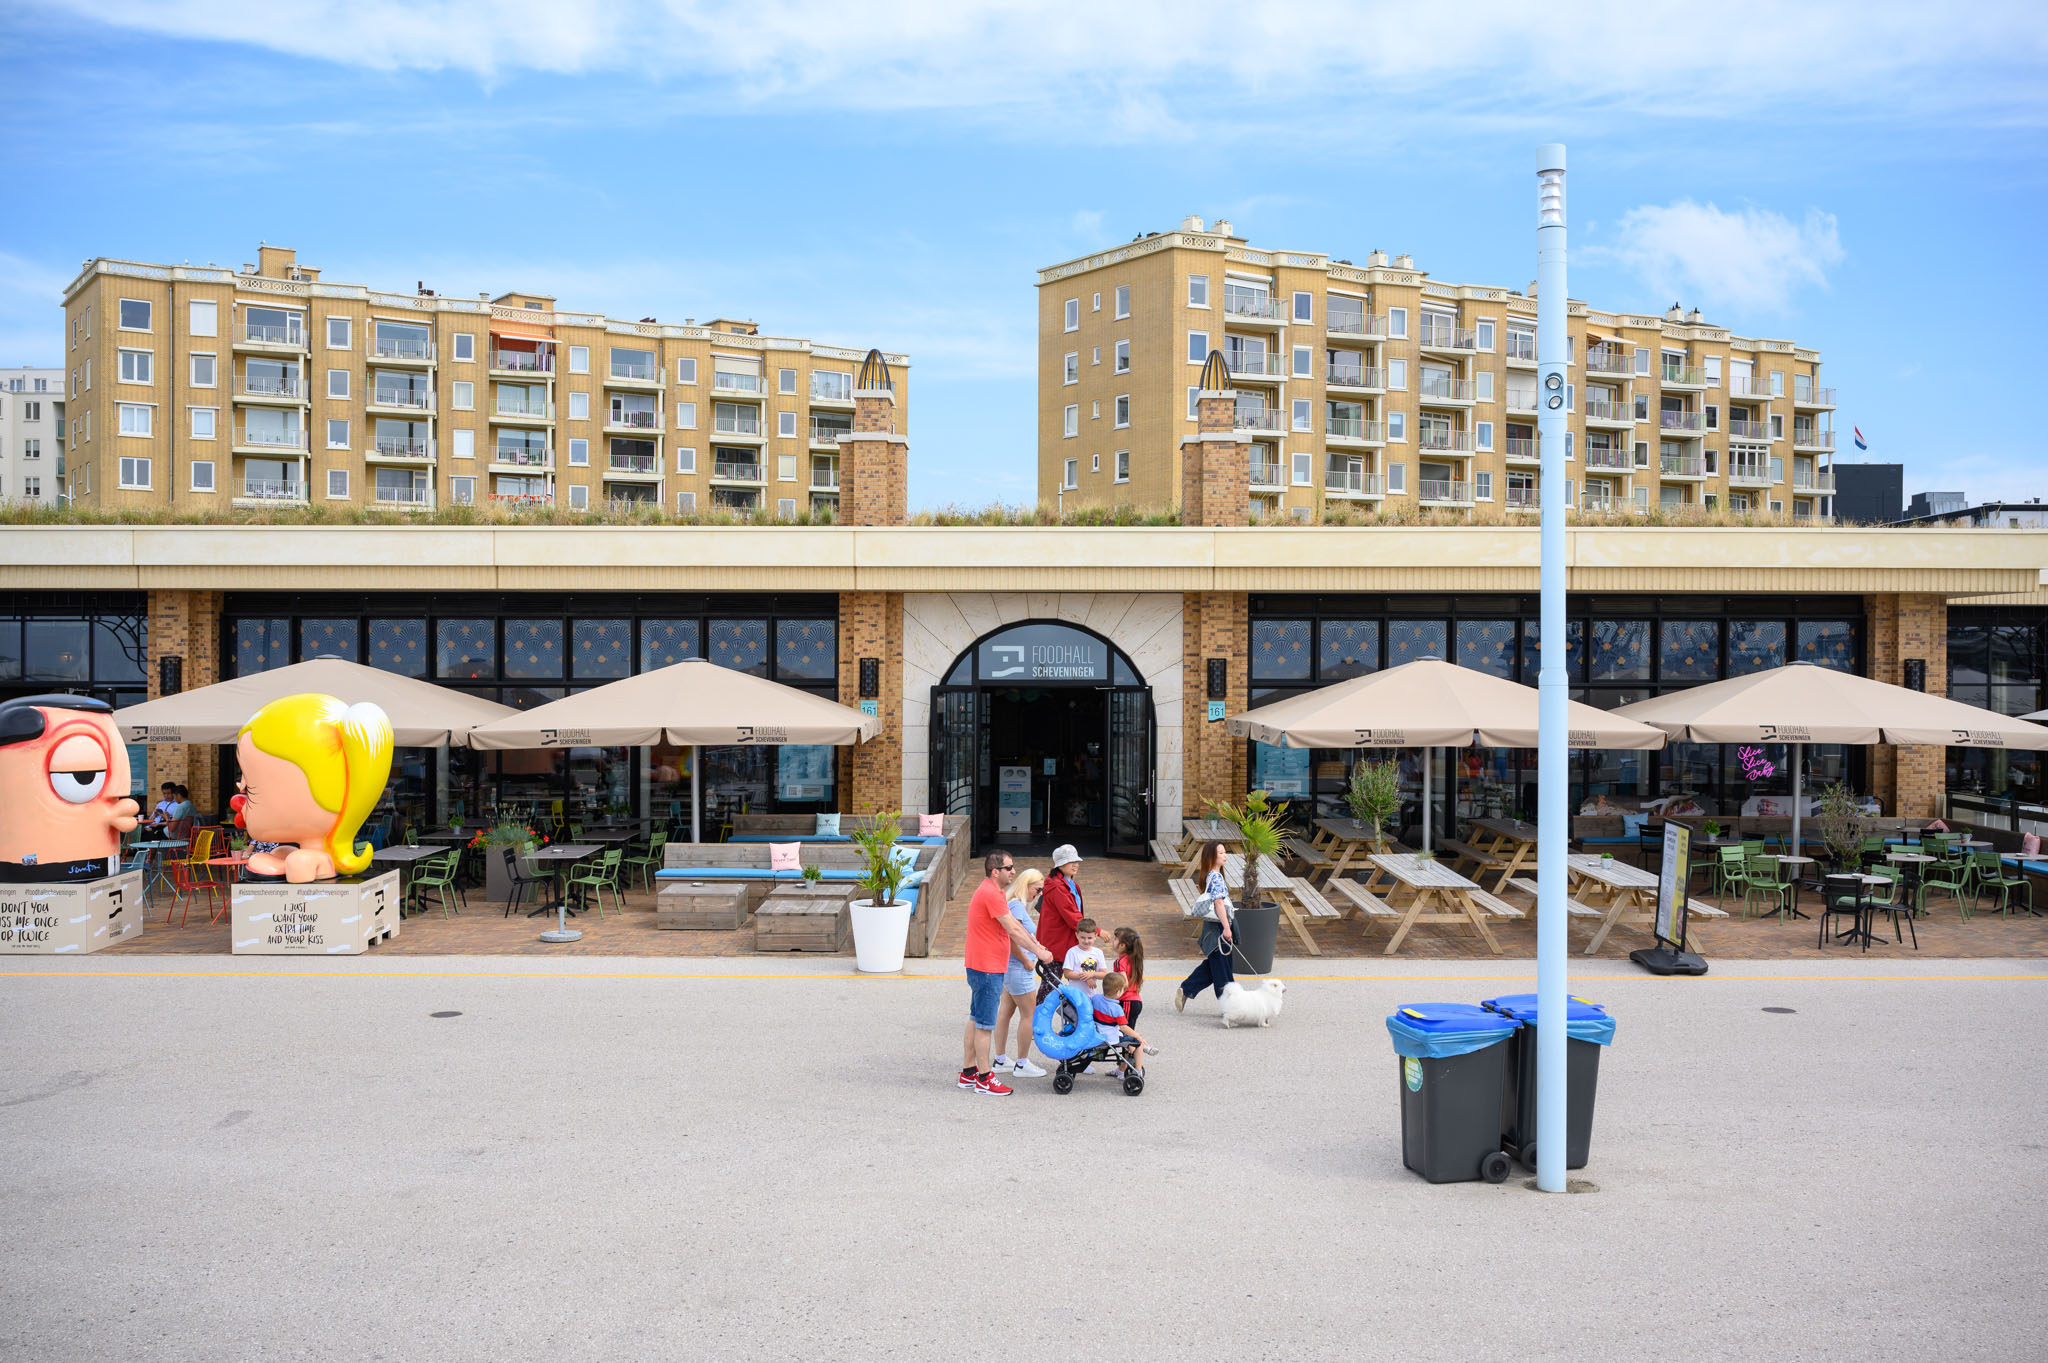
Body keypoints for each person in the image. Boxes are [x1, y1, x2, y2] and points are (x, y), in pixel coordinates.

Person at [962, 850, 1054, 1095]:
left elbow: (1016, 929)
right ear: (995, 871)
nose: (1014, 871)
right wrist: (1038, 952)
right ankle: (984, 1078)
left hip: (984, 965)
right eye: (1009, 867)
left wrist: (1037, 947)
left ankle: (968, 1071)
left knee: (976, 1018)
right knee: (983, 1025)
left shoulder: (994, 893)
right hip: (987, 967)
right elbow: (1013, 929)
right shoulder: (991, 893)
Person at [993, 867, 1049, 1078]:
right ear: (1027, 885)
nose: (1039, 893)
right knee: (1029, 1014)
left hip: (1011, 967)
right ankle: (1022, 1063)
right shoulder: (1016, 906)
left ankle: (1000, 1059)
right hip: (1018, 967)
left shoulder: (1017, 905)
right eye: (1038, 888)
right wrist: (1027, 960)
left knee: (1005, 1012)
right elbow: (1012, 938)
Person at [1175, 840, 1235, 1012]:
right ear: (1212, 856)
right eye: (1221, 852)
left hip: (1212, 929)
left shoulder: (1211, 875)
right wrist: (1226, 927)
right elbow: (1218, 903)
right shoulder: (1216, 877)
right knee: (1223, 970)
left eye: (1225, 852)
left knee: (1215, 965)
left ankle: (1186, 989)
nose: (1225, 855)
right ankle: (1229, 1008)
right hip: (1218, 929)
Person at [1037, 844, 1086, 999]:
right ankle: (1038, 1020)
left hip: (1067, 943)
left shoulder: (1072, 885)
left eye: (1076, 861)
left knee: (1076, 985)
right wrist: (1095, 931)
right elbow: (1072, 916)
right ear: (1060, 865)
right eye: (1070, 861)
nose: (1075, 864)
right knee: (1050, 988)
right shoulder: (1058, 887)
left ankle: (1072, 1019)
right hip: (1056, 946)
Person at [1062, 917, 1111, 996]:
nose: (1086, 941)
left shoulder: (1098, 952)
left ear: (1095, 936)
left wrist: (1091, 975)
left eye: (1090, 938)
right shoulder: (1072, 952)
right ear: (1076, 935)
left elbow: (1104, 974)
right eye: (1083, 937)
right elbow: (1067, 974)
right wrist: (1086, 978)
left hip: (1091, 995)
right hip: (1075, 996)